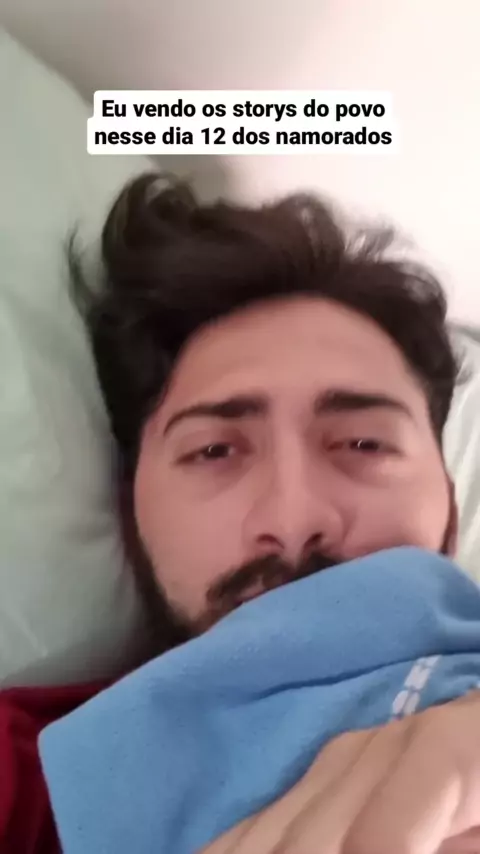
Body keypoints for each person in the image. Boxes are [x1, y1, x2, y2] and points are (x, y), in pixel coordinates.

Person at [1, 172, 480, 853]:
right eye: (215, 451)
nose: (294, 517)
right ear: (132, 518)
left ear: (450, 514)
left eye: (363, 444)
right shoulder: (30, 781)